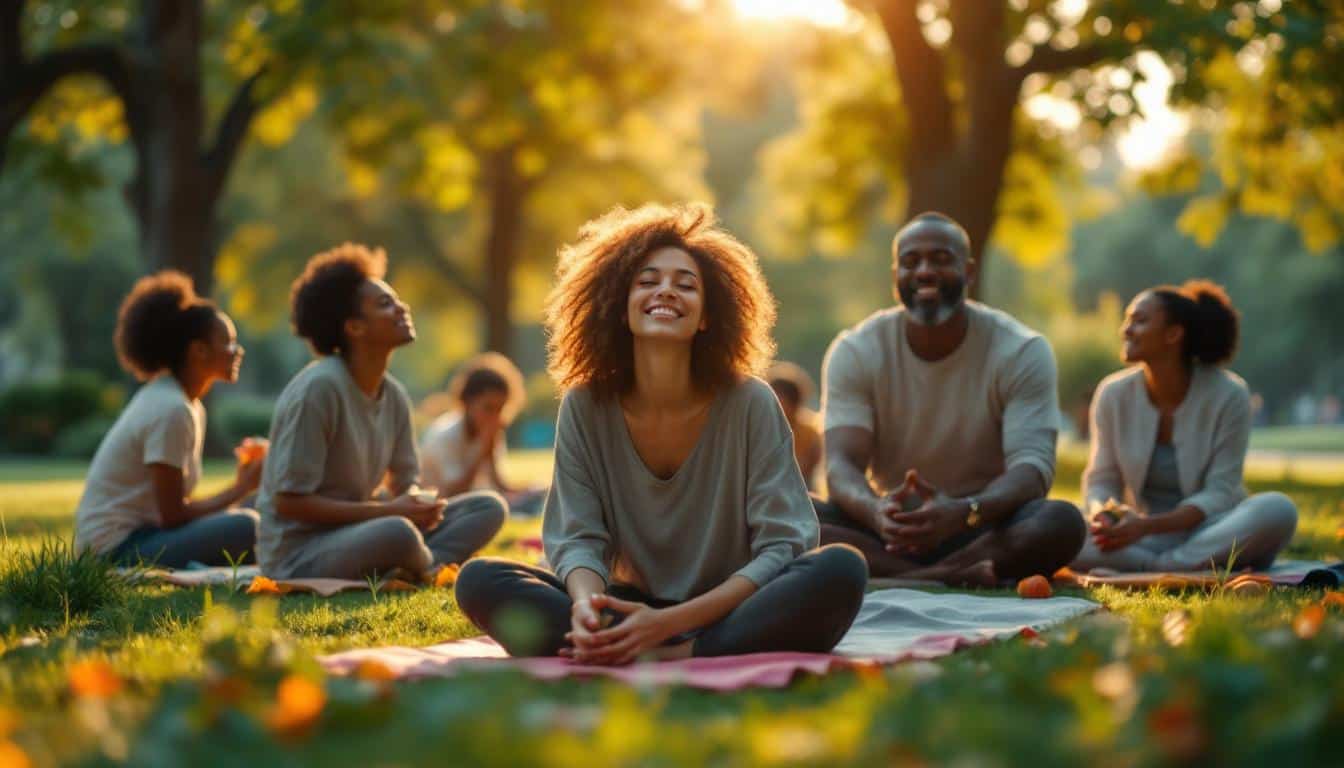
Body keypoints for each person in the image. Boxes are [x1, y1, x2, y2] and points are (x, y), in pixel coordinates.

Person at [455, 203, 867, 662]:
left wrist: (672, 624)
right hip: (625, 605)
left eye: (686, 284)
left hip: (733, 604)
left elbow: (784, 545)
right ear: (619, 305)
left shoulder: (751, 401)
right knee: (480, 580)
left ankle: (676, 651)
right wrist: (588, 612)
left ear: (708, 316)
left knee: (840, 568)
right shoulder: (585, 405)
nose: (666, 291)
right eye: (648, 281)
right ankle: (617, 639)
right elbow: (578, 540)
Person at [815, 212, 1085, 586]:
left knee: (1061, 521)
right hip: (887, 530)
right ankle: (942, 576)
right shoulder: (856, 350)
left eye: (941, 259)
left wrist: (963, 512)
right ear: (896, 279)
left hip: (980, 525)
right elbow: (841, 465)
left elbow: (1033, 469)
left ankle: (921, 574)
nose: (925, 271)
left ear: (969, 272)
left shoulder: (1021, 350)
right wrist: (877, 512)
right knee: (792, 515)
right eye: (911, 262)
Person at [255, 244, 507, 581]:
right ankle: (424, 562)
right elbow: (290, 503)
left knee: (486, 506)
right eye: (385, 304)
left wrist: (420, 505)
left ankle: (418, 562)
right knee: (397, 533)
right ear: (354, 328)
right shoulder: (319, 389)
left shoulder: (394, 395)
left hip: (364, 532)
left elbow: (406, 482)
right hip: (301, 552)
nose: (402, 308)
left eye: (396, 300)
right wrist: (391, 511)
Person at [1072, 281, 1297, 572]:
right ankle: (1178, 566)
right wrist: (1106, 518)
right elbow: (1101, 480)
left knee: (1277, 510)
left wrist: (1148, 527)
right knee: (1060, 527)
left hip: (1210, 530)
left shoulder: (1230, 395)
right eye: (1127, 320)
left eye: (1139, 321)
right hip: (1135, 537)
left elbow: (1221, 490)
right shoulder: (1112, 394)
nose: (1125, 330)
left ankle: (1158, 566)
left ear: (1174, 334)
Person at [74, 271, 262, 567]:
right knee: (247, 527)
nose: (238, 351)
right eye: (229, 342)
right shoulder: (171, 409)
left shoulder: (184, 403)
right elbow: (173, 515)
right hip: (119, 549)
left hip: (152, 534)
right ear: (199, 350)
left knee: (262, 508)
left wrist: (245, 490)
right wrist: (239, 488)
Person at [420, 353, 547, 516]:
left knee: (541, 492)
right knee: (494, 506)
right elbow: (454, 493)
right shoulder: (445, 435)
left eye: (500, 409)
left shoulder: (491, 433)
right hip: (448, 509)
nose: (495, 417)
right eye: (488, 408)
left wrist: (528, 490)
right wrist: (482, 450)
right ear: (467, 402)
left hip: (480, 501)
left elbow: (498, 484)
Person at [766, 361, 823, 490]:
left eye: (782, 400)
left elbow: (804, 468)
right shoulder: (764, 429)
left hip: (801, 490)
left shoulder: (809, 432)